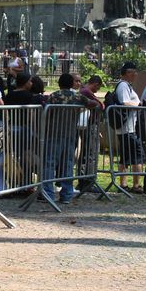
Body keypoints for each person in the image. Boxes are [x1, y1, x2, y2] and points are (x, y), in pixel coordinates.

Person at [43, 73, 94, 204]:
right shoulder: (78, 97)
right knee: (67, 165)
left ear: (59, 83)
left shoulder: (54, 96)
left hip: (53, 134)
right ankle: (66, 195)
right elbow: (93, 104)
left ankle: (48, 193)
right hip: (70, 134)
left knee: (49, 164)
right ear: (72, 84)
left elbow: (46, 113)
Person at [113, 63, 145, 193]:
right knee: (138, 156)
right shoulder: (123, 86)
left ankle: (123, 185)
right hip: (127, 128)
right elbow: (124, 103)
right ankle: (136, 185)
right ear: (127, 72)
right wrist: (139, 104)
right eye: (133, 72)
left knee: (126, 157)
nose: (135, 74)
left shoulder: (126, 85)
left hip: (128, 128)